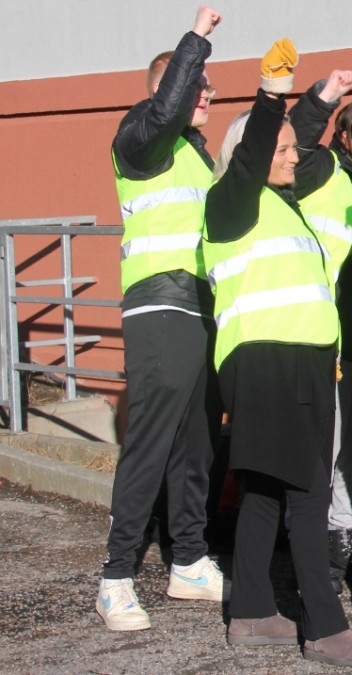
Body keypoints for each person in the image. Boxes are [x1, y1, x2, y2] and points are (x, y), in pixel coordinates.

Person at [202, 40, 352, 667]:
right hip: (269, 361)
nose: (290, 157)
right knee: (307, 493)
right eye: (279, 151)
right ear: (246, 157)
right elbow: (256, 149)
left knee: (265, 493)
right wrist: (272, 91)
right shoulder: (231, 202)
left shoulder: (283, 208)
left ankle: (251, 613)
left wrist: (315, 101)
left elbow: (283, 143)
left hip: (297, 363)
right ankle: (325, 628)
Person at [98, 5, 225, 633]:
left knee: (196, 442)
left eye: (210, 88)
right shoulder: (139, 140)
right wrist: (195, 41)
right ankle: (116, 577)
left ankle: (190, 561)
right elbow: (170, 104)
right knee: (150, 440)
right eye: (195, 84)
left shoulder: (197, 158)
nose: (207, 94)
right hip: (160, 303)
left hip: (200, 306)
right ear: (166, 88)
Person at [290, 86, 352, 594]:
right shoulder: (323, 171)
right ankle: (315, 565)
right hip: (328, 335)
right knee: (324, 455)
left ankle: (344, 548)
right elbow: (295, 143)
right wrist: (322, 98)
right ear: (346, 137)